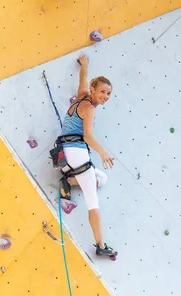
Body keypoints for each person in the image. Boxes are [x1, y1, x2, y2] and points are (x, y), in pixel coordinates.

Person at [56, 54, 117, 257]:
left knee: (103, 178)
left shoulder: (82, 94)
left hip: (67, 153)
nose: (105, 96)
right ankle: (100, 245)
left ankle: (69, 181)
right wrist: (103, 152)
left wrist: (85, 64)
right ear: (93, 90)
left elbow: (83, 78)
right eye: (102, 92)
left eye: (108, 93)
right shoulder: (90, 109)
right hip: (78, 153)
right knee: (93, 202)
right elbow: (88, 136)